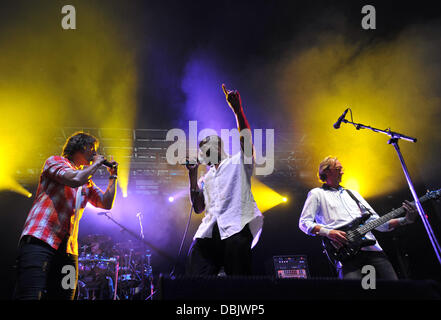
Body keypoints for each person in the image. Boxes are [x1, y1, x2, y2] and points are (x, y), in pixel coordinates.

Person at [14, 132, 118, 300]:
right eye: (92, 148)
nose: (94, 153)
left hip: (68, 251)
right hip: (41, 240)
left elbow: (105, 203)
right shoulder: (54, 161)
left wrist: (113, 176)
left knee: (65, 296)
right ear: (81, 146)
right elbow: (74, 179)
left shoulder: (87, 181)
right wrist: (97, 164)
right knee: (31, 295)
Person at [185, 84, 263, 276]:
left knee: (237, 275)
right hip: (211, 231)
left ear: (221, 148)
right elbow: (197, 207)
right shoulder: (206, 177)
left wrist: (237, 111)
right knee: (195, 254)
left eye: (212, 146)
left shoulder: (237, 162)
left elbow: (245, 139)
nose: (208, 151)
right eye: (204, 149)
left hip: (237, 226)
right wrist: (192, 175)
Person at [299, 156, 418, 279]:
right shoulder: (316, 193)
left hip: (373, 251)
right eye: (338, 168)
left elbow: (378, 224)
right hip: (345, 254)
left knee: (394, 292)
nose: (342, 171)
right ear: (326, 171)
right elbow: (304, 223)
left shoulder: (353, 194)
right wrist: (328, 232)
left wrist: (406, 220)